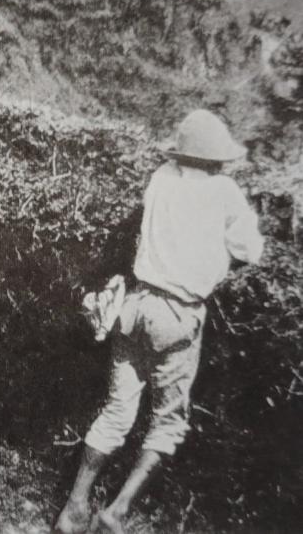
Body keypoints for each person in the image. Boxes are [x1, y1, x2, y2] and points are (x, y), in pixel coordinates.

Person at [54, 109, 265, 534]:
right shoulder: (225, 192)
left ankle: (74, 506)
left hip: (136, 306)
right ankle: (117, 510)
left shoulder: (161, 178)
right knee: (168, 421)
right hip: (179, 316)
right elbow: (250, 250)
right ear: (216, 158)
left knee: (117, 410)